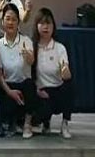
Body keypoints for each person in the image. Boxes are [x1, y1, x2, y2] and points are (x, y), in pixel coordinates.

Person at [0, 3, 36, 138]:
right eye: (7, 19)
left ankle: (27, 124)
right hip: (8, 87)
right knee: (5, 104)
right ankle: (12, 122)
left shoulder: (26, 41)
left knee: (30, 85)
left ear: (18, 22)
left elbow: (31, 62)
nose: (10, 22)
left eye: (14, 19)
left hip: (24, 86)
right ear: (2, 21)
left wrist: (28, 56)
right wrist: (9, 92)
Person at [31, 7, 73, 138]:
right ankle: (45, 122)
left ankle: (65, 124)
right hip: (41, 91)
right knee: (41, 112)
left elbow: (66, 71)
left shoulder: (60, 48)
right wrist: (36, 90)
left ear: (53, 26)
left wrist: (65, 72)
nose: (45, 27)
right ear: (36, 25)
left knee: (69, 86)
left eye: (48, 23)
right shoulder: (32, 47)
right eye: (42, 23)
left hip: (57, 89)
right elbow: (28, 75)